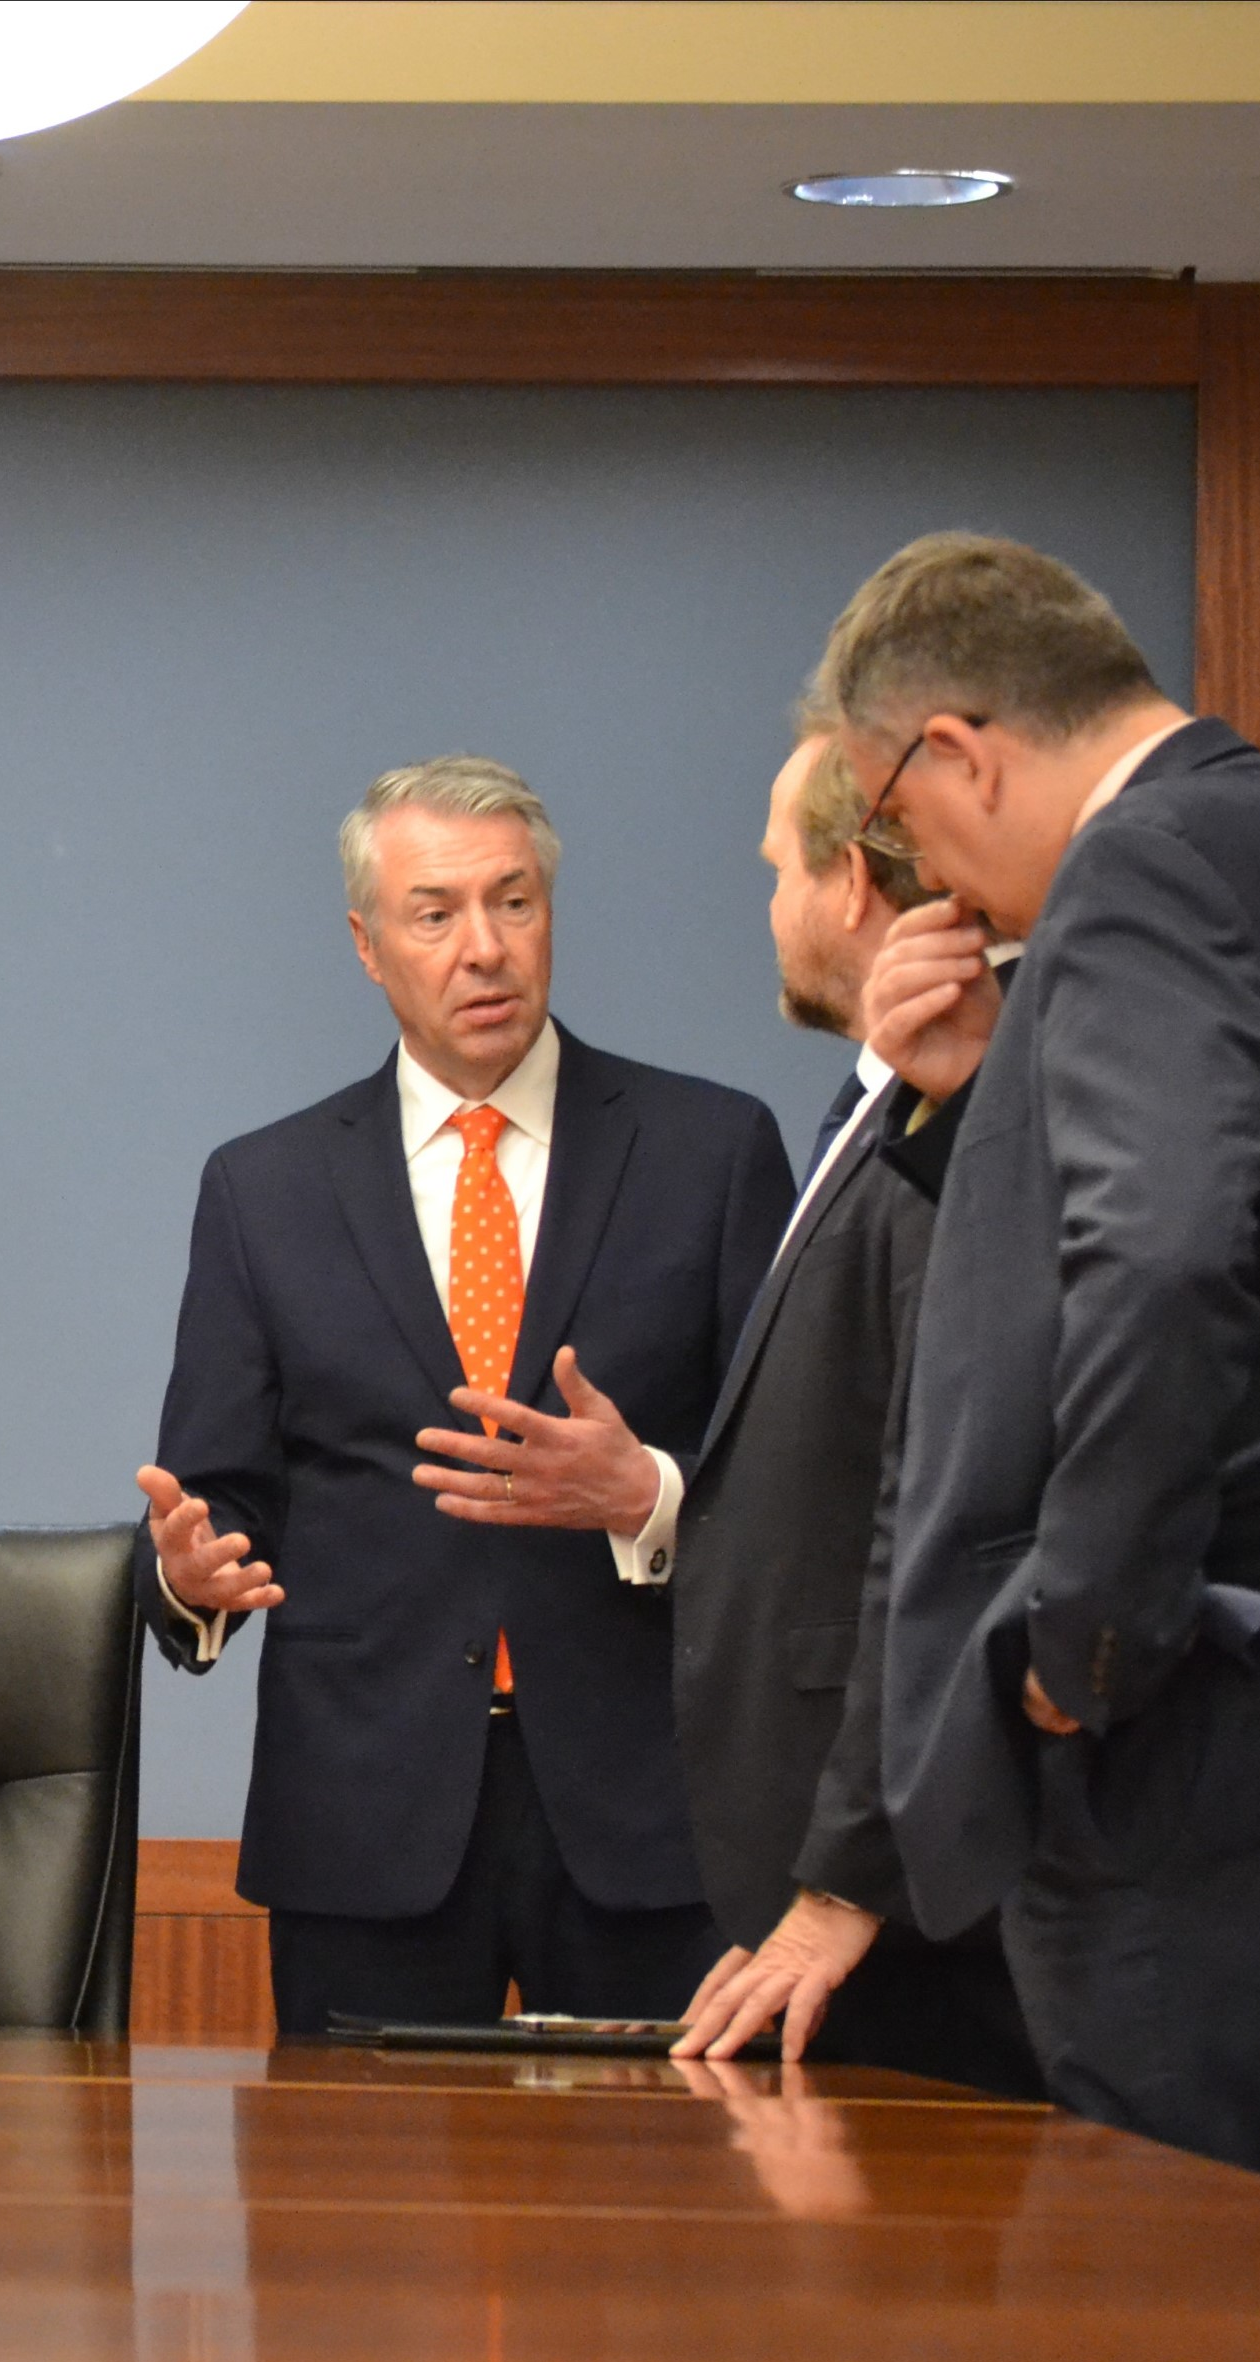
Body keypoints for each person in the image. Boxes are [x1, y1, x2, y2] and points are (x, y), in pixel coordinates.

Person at [813, 530, 1260, 2218]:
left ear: (957, 752)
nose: (926, 884)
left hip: (1224, 1761)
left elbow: (1162, 1266)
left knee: (1163, 2336)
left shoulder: (1145, 871)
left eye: (893, 827)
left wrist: (1092, 1639)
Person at [417, 721, 1040, 2095]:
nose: (765, 908)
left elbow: (927, 1522)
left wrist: (840, 1877)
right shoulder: (889, 1110)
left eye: (776, 871)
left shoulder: (954, 1125)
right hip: (814, 1869)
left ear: (855, 890)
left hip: (891, 1885)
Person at [136, 755, 794, 2036]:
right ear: (369, 945)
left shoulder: (712, 1153)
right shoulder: (262, 1189)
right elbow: (215, 1499)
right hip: (364, 1815)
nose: (482, 949)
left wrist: (647, 1495)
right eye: (435, 914)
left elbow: (810, 1486)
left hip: (653, 1812)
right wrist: (189, 1578)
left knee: (673, 2225)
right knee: (346, 2226)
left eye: (514, 903)